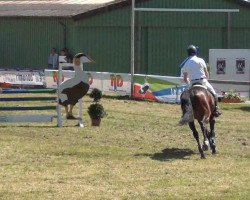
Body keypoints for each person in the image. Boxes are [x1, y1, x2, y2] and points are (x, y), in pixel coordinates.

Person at [181, 45, 222, 117]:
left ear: (188, 53)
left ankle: (184, 112)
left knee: (184, 96)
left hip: (192, 82)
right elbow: (206, 73)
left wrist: (189, 83)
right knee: (215, 94)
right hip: (203, 81)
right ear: (195, 52)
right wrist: (207, 79)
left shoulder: (186, 64)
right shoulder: (201, 60)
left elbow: (185, 78)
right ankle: (216, 109)